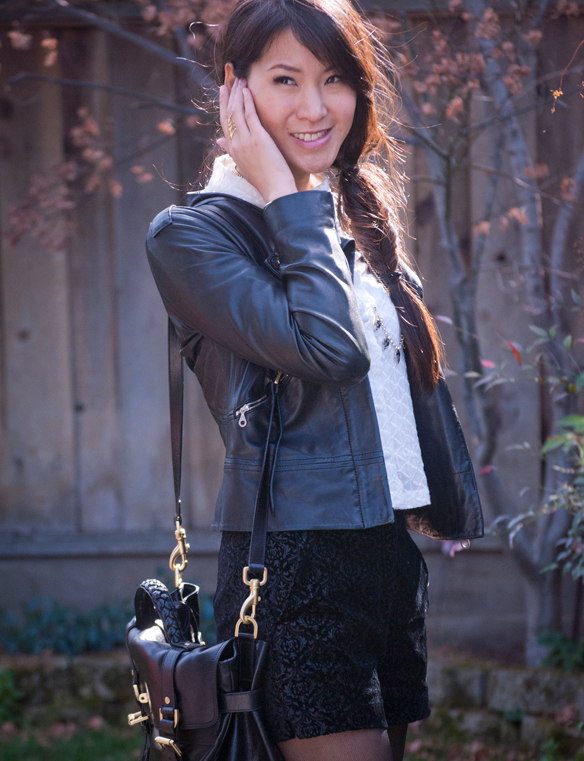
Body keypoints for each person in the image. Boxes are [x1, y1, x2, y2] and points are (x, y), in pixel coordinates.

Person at [146, 0, 483, 758]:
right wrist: (286, 193)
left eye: (334, 79)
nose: (313, 106)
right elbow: (329, 348)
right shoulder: (195, 235)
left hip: (386, 558)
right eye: (285, 79)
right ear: (237, 90)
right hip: (293, 568)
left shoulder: (348, 220)